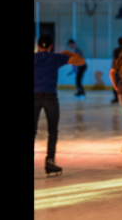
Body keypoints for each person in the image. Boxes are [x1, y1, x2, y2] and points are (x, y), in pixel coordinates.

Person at [34, 34, 85, 176]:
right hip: (50, 96)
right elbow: (80, 61)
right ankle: (50, 161)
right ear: (51, 46)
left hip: (34, 95)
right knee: (52, 131)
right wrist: (68, 53)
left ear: (38, 46)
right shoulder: (56, 57)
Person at [111, 37, 122, 104]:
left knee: (116, 83)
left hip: (117, 69)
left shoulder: (116, 50)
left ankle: (116, 97)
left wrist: (113, 67)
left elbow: (114, 60)